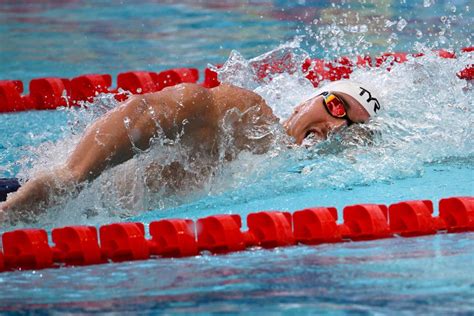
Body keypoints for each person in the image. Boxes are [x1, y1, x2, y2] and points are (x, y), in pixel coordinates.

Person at [0, 79, 381, 222]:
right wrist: (74, 176)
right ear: (305, 102)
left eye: (349, 126)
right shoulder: (253, 122)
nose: (335, 125)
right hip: (48, 193)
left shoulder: (312, 184)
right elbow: (184, 103)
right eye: (335, 106)